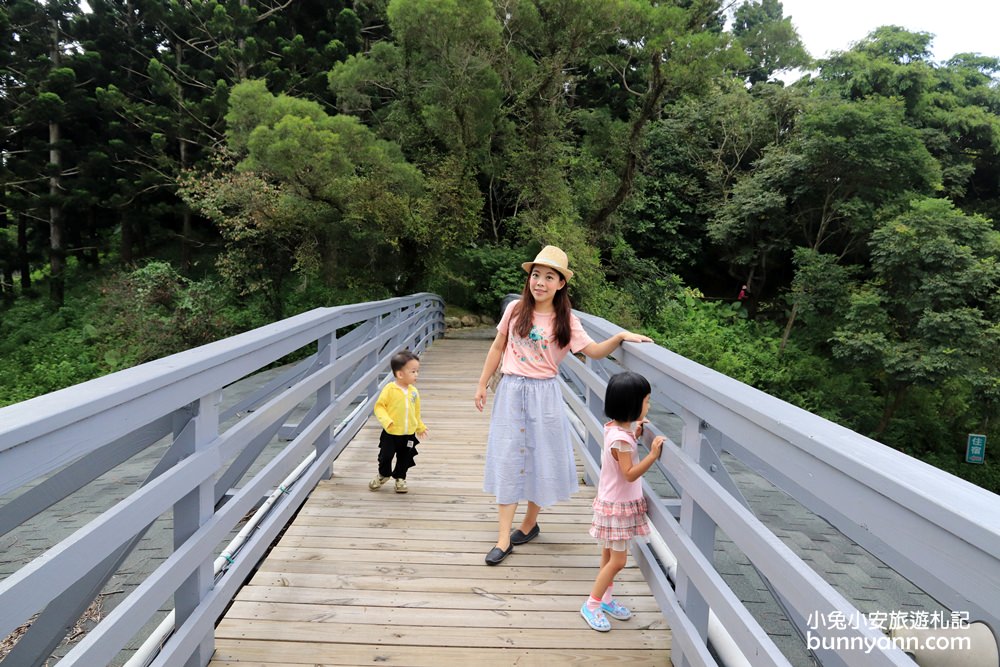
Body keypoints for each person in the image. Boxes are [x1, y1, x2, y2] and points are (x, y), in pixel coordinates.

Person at [473, 245, 654, 565]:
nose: (539, 282)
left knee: (539, 459)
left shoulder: (566, 321)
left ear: (560, 284)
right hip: (512, 392)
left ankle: (528, 524)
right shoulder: (515, 310)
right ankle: (504, 537)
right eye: (535, 275)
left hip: (544, 395)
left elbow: (594, 351)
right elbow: (498, 346)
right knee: (507, 458)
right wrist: (482, 384)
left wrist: (621, 336)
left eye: (548, 277)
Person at [581, 371, 665, 631]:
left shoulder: (615, 429)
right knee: (618, 561)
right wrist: (651, 455)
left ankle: (605, 599)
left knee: (608, 556)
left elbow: (621, 450)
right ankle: (591, 605)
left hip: (611, 501)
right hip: (618, 505)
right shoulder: (622, 440)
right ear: (633, 404)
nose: (649, 405)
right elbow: (629, 474)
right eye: (647, 401)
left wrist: (635, 432)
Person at [370, 350, 428, 494]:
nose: (417, 375)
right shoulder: (390, 389)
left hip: (408, 433)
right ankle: (383, 474)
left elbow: (416, 412)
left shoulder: (414, 392)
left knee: (405, 457)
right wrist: (386, 420)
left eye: (417, 371)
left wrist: (420, 427)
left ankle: (400, 478)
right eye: (413, 371)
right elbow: (379, 406)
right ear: (400, 374)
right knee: (386, 456)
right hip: (391, 432)